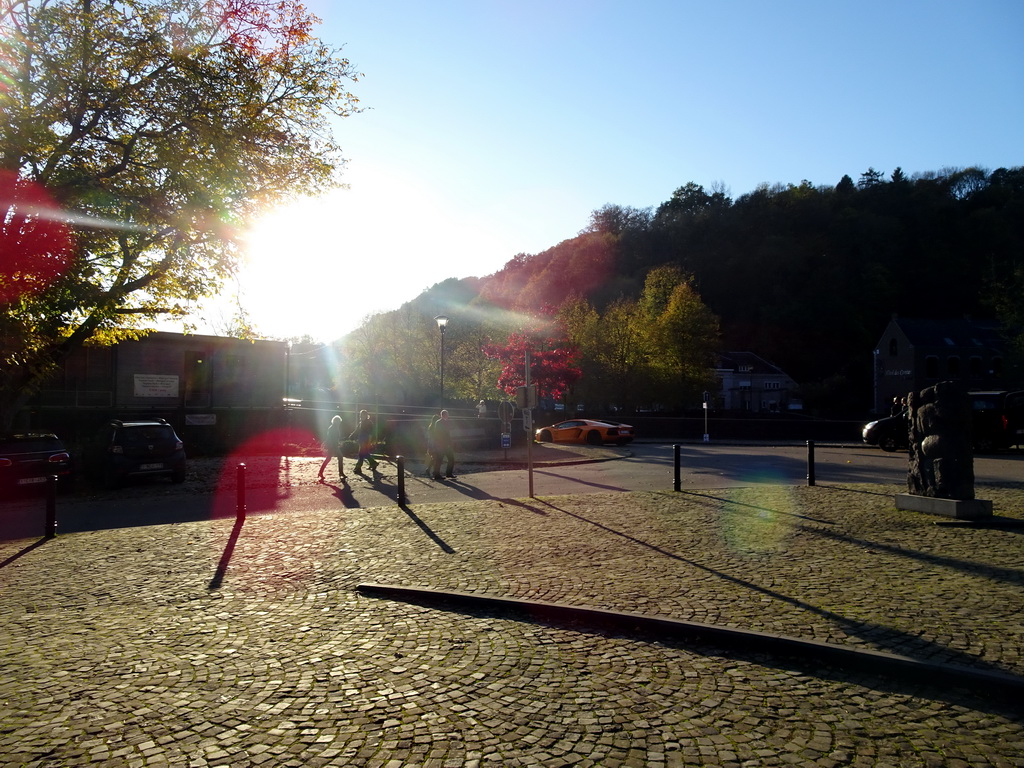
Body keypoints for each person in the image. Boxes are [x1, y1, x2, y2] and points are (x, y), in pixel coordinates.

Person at [428, 409, 455, 480]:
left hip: (443, 444)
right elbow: (442, 434)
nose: (448, 416)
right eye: (447, 415)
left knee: (445, 459)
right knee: (441, 459)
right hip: (442, 444)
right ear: (443, 415)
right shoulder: (440, 422)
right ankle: (440, 474)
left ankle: (443, 473)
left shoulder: (440, 422)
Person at [318, 415, 346, 482]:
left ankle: (320, 472)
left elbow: (331, 438)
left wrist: (337, 443)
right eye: (338, 421)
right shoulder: (334, 428)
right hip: (333, 446)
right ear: (336, 421)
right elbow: (332, 438)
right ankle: (341, 473)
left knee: (328, 459)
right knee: (340, 457)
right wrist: (336, 444)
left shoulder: (333, 427)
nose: (339, 423)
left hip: (333, 446)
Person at [350, 409, 378, 473]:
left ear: (366, 415)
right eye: (361, 415)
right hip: (361, 440)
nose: (362, 416)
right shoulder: (361, 422)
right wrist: (352, 435)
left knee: (361, 454)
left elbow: (371, 432)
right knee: (364, 453)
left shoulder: (368, 422)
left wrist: (370, 440)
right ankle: (373, 463)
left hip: (365, 440)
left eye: (363, 415)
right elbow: (357, 430)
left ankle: (358, 468)